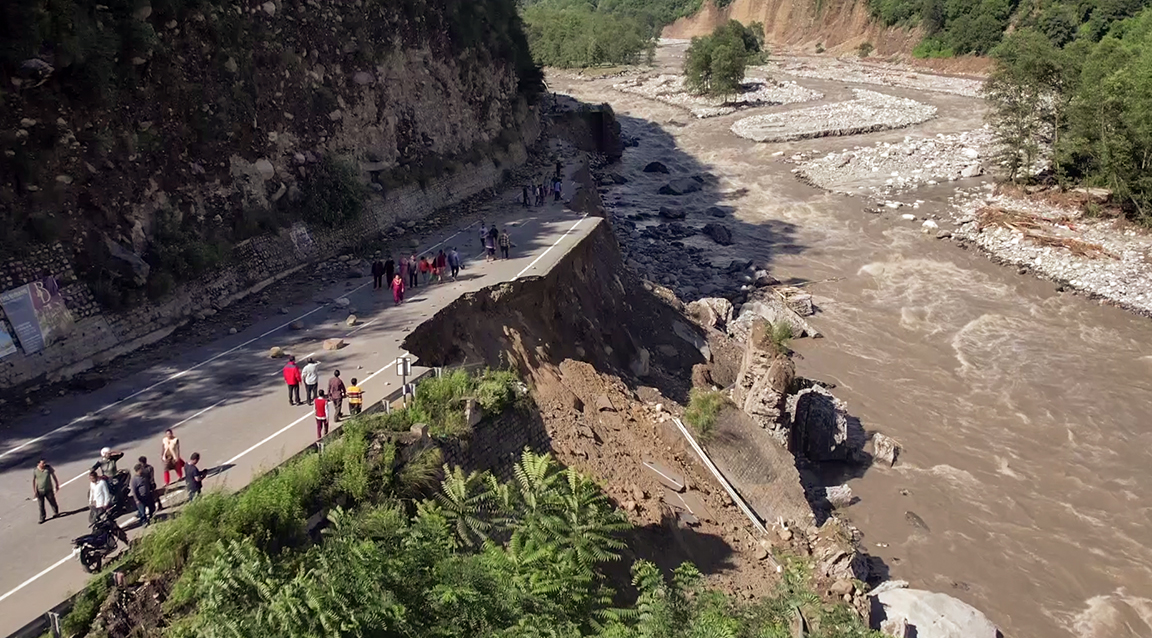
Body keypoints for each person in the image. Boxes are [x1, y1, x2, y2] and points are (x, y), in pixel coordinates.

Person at [32, 458, 60, 524]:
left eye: (44, 463)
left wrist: (56, 484)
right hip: (40, 490)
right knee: (41, 505)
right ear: (38, 464)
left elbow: (54, 476)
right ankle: (42, 518)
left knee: (52, 501)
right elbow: (34, 481)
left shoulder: (48, 468)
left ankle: (56, 512)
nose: (44, 464)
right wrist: (35, 491)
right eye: (42, 463)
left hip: (48, 489)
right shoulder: (35, 471)